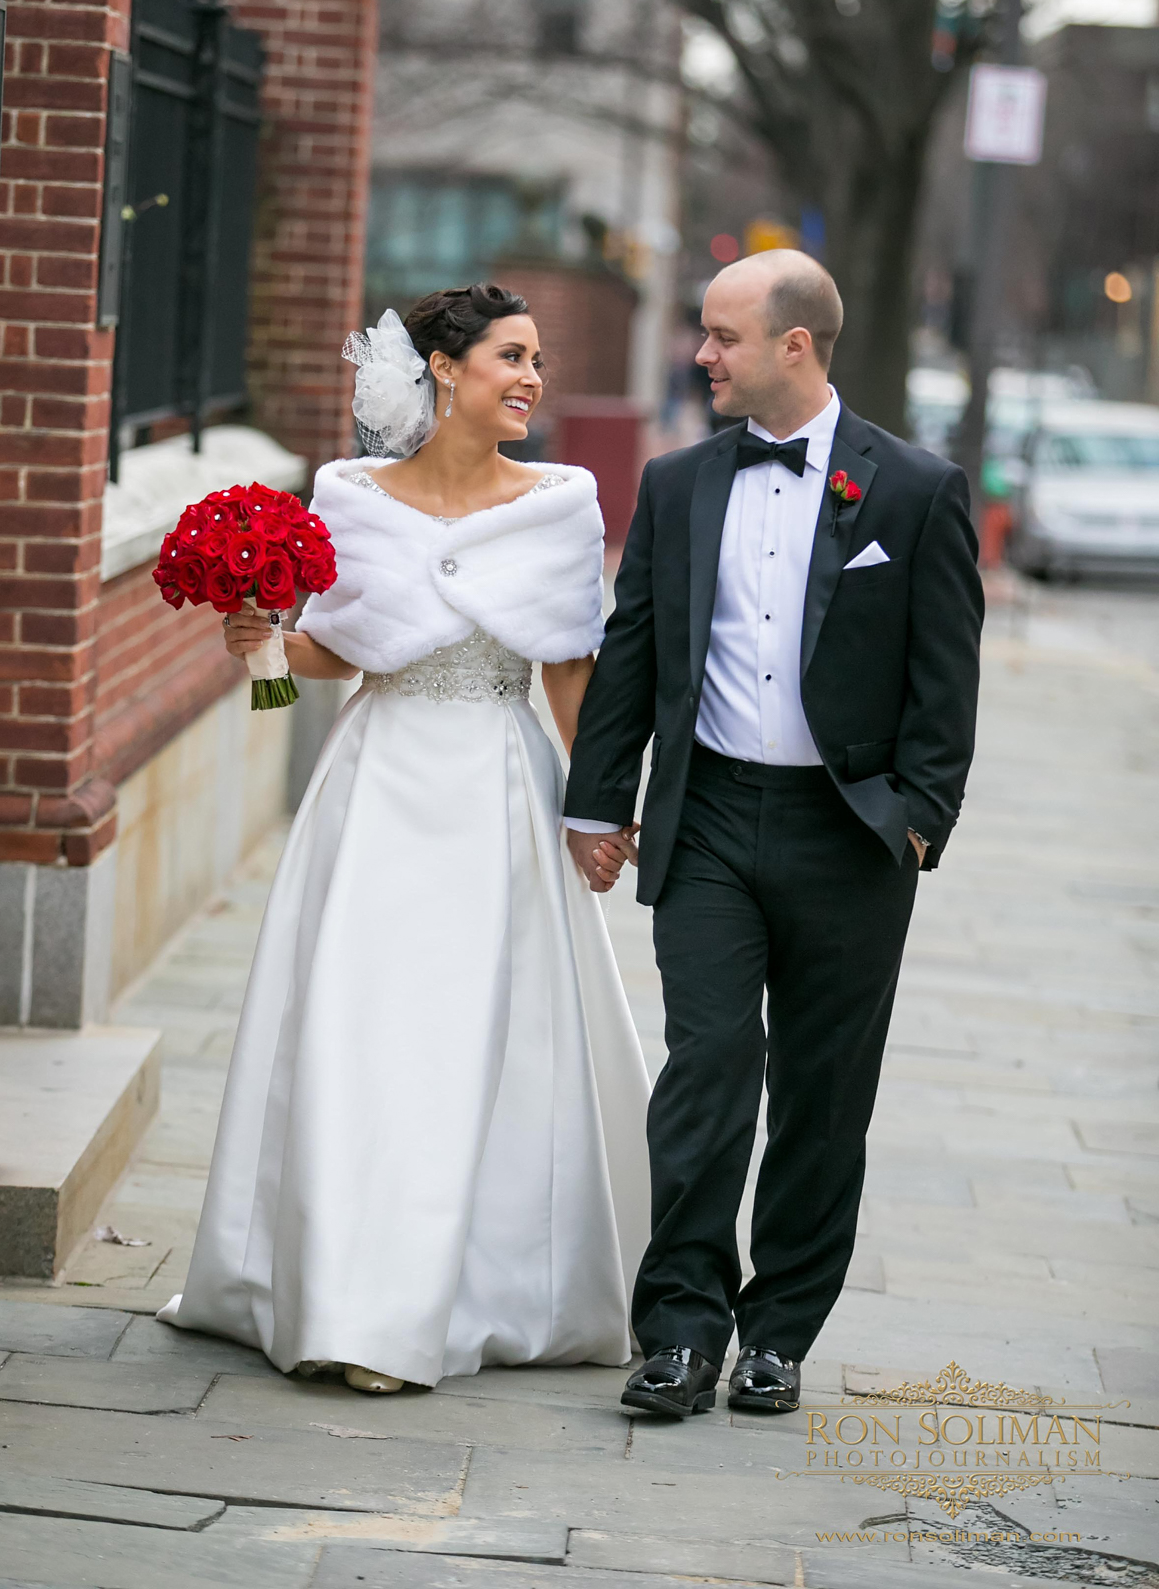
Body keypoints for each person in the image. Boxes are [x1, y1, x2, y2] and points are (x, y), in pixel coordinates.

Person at [158, 283, 650, 1394]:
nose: (532, 378)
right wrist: (261, 649)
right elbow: (322, 667)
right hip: (374, 789)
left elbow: (571, 671)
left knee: (469, 1045)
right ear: (443, 368)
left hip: (497, 794)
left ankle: (429, 1306)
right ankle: (336, 1294)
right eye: (511, 357)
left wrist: (603, 816)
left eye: (538, 361)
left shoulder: (562, 505)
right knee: (359, 1034)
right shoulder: (352, 497)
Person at [564, 251, 984, 1421]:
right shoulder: (679, 482)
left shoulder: (914, 489)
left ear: (794, 344)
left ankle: (779, 1333)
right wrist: (598, 804)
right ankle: (682, 1330)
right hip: (705, 823)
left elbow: (946, 682)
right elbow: (634, 648)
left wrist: (918, 823)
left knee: (823, 1090)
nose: (704, 356)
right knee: (706, 1067)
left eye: (722, 337)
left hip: (849, 834)